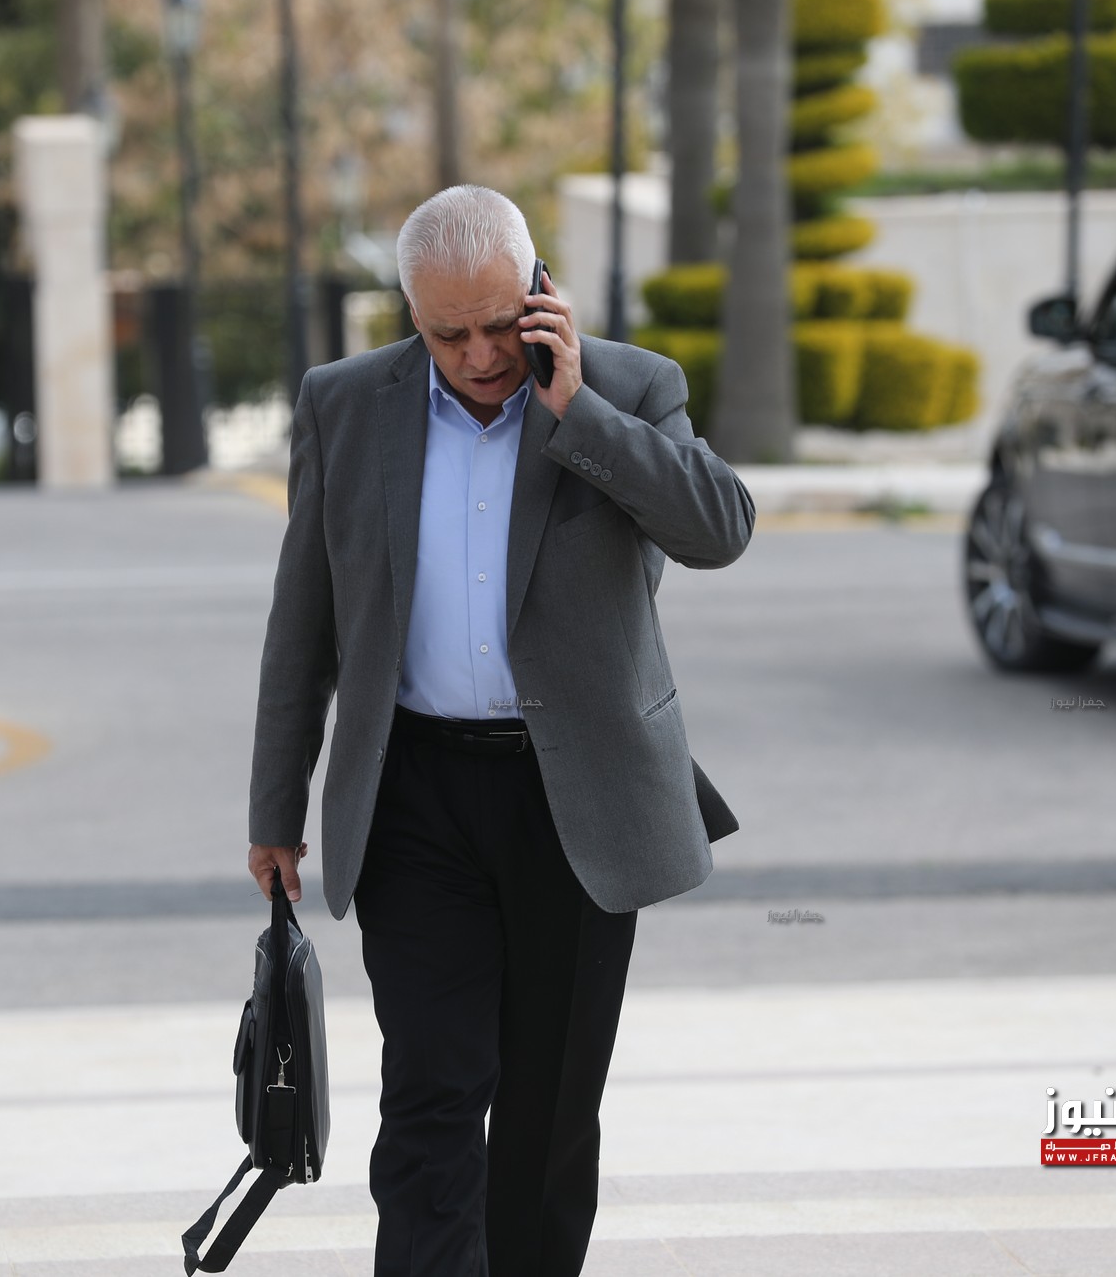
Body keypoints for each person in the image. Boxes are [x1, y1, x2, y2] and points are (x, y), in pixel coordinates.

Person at [246, 183, 756, 1276]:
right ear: (411, 315)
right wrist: (275, 808)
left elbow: (720, 529)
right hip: (415, 797)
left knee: (548, 1114)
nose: (477, 356)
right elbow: (305, 618)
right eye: (447, 334)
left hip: (575, 801)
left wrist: (581, 411)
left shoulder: (630, 386)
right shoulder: (345, 405)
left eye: (494, 324)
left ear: (538, 291)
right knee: (429, 1097)